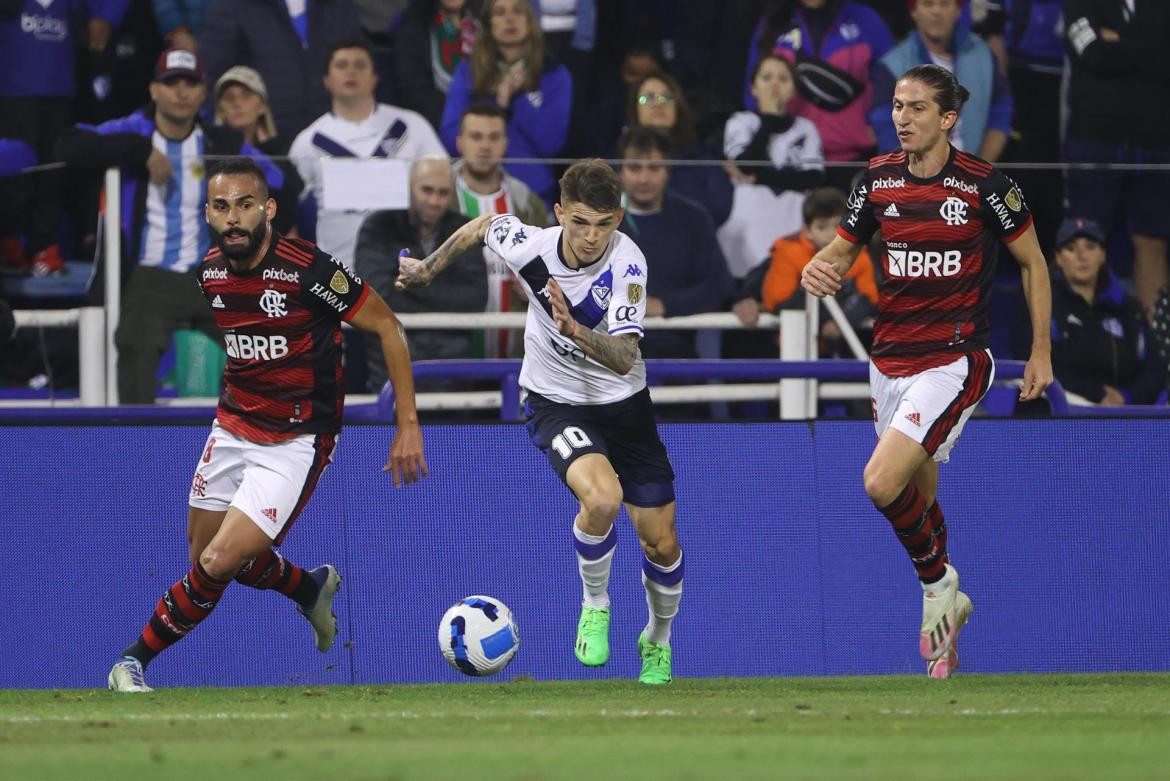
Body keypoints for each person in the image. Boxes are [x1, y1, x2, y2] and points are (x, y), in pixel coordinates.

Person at [107, 157, 427, 692]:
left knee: (217, 560)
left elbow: (389, 326)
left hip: (296, 441)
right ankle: (308, 588)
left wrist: (408, 423)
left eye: (246, 204)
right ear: (208, 213)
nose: (234, 217)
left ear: (269, 209)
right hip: (232, 428)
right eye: (222, 206)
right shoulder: (210, 273)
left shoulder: (309, 269)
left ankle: (132, 661)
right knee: (209, 558)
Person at [801, 64, 1053, 679]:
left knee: (881, 483)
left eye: (916, 108)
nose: (902, 118)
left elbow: (1033, 262)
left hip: (955, 358)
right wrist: (817, 267)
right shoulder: (877, 180)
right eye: (896, 105)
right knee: (918, 495)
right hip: (888, 363)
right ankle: (947, 631)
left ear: (947, 119)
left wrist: (1042, 350)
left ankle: (940, 586)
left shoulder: (985, 184)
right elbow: (840, 250)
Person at [396, 159, 683, 685]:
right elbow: (483, 227)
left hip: (623, 403)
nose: (591, 236)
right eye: (579, 222)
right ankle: (595, 604)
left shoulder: (628, 266)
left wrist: (573, 328)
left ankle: (657, 641)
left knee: (660, 543)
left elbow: (622, 356)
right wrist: (429, 268)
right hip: (555, 400)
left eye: (603, 223)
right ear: (558, 214)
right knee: (600, 499)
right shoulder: (530, 244)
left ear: (618, 219)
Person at [56, 48, 284, 405]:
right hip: (150, 277)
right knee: (135, 342)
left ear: (202, 92)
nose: (181, 92)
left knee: (266, 343)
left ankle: (273, 437)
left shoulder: (220, 142)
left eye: (190, 83)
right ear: (154, 90)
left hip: (213, 274)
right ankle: (136, 445)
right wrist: (139, 151)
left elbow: (282, 180)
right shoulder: (132, 130)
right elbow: (67, 143)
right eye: (171, 83)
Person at [289, 38, 446, 272]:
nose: (351, 71)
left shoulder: (412, 126)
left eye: (360, 65)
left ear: (374, 78)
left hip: (404, 269)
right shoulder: (308, 142)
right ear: (327, 80)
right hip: (337, 275)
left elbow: (445, 183)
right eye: (342, 65)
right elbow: (285, 208)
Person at [0, 0, 125, 275]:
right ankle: (11, 241)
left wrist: (105, 17)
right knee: (15, 170)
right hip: (13, 85)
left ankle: (43, 244)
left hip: (60, 85)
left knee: (52, 171)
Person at [1063, 0, 1170, 318]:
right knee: (1083, 242)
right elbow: (1092, 54)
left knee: (1152, 243)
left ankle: (1157, 351)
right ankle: (1077, 338)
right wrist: (1150, 46)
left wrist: (1121, 43)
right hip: (1093, 140)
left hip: (1156, 142)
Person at [355, 155, 488, 388]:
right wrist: (438, 288)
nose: (435, 200)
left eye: (443, 192)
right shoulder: (378, 226)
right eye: (427, 190)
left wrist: (414, 283)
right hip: (391, 366)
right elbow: (375, 295)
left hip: (452, 374)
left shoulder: (463, 230)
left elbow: (475, 298)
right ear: (410, 188)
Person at [1014, 217, 1164, 407]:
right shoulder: (1040, 304)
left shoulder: (1128, 308)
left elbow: (1154, 369)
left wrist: (1125, 397)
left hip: (1122, 417)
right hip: (1057, 415)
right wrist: (1096, 393)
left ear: (1103, 255)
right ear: (1059, 257)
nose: (1081, 256)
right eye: (1071, 249)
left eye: (1091, 247)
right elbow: (1028, 359)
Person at [745, 0, 894, 190]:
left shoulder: (866, 20)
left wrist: (880, 131)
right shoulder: (774, 22)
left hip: (853, 162)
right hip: (789, 164)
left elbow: (893, 86)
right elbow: (753, 94)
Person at [439, 0, 572, 207]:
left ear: (531, 21)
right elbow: (450, 136)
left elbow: (552, 143)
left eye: (518, 11)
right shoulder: (468, 71)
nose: (510, 19)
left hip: (531, 196)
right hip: (471, 193)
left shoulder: (555, 75)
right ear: (488, 24)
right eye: (500, 13)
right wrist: (498, 103)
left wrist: (518, 99)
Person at [618, 126, 734, 360]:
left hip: (676, 355)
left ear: (667, 172)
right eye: (634, 168)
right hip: (607, 355)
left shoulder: (694, 218)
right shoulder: (598, 221)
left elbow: (717, 285)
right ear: (620, 172)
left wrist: (663, 305)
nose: (643, 178)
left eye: (654, 168)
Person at [452, 103, 547, 357]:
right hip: (454, 349)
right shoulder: (440, 198)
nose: (485, 146)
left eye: (493, 137)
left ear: (505, 143)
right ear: (459, 142)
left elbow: (554, 274)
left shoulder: (528, 203)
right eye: (476, 136)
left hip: (519, 354)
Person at [720, 54, 824, 281]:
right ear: (754, 88)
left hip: (791, 226)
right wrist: (768, 119)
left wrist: (758, 177)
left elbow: (813, 178)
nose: (775, 84)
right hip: (747, 233)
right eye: (766, 77)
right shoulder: (740, 122)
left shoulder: (806, 129)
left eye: (783, 78)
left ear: (793, 91)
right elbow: (747, 163)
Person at [869, 0, 1013, 163]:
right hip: (914, 181)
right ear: (914, 12)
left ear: (958, 11)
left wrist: (979, 171)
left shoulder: (983, 56)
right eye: (928, 4)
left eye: (944, 4)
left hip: (973, 179)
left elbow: (1000, 112)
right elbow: (887, 132)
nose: (936, 11)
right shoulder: (891, 66)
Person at [200, 0, 362, 140]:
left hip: (333, 138)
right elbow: (213, 76)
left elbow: (360, 69)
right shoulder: (235, 6)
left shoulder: (339, 6)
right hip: (263, 145)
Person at [763, 186, 878, 357]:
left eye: (837, 225)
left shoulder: (859, 254)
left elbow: (870, 298)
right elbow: (778, 301)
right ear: (807, 230)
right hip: (793, 348)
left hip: (847, 344)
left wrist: (841, 323)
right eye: (822, 227)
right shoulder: (788, 251)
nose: (831, 234)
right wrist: (826, 321)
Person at [625, 70, 734, 230]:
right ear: (635, 110)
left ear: (678, 108)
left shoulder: (703, 159)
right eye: (647, 98)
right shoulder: (622, 161)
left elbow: (720, 208)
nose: (658, 103)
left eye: (666, 97)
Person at [214, 66, 303, 236]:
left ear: (262, 106)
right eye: (229, 97)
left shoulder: (279, 159)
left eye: (246, 96)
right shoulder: (207, 152)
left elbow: (290, 222)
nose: (237, 103)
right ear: (221, 110)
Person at [391, 0, 479, 130]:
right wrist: (456, 119)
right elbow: (414, 90)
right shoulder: (413, 27)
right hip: (437, 123)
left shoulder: (487, 21)